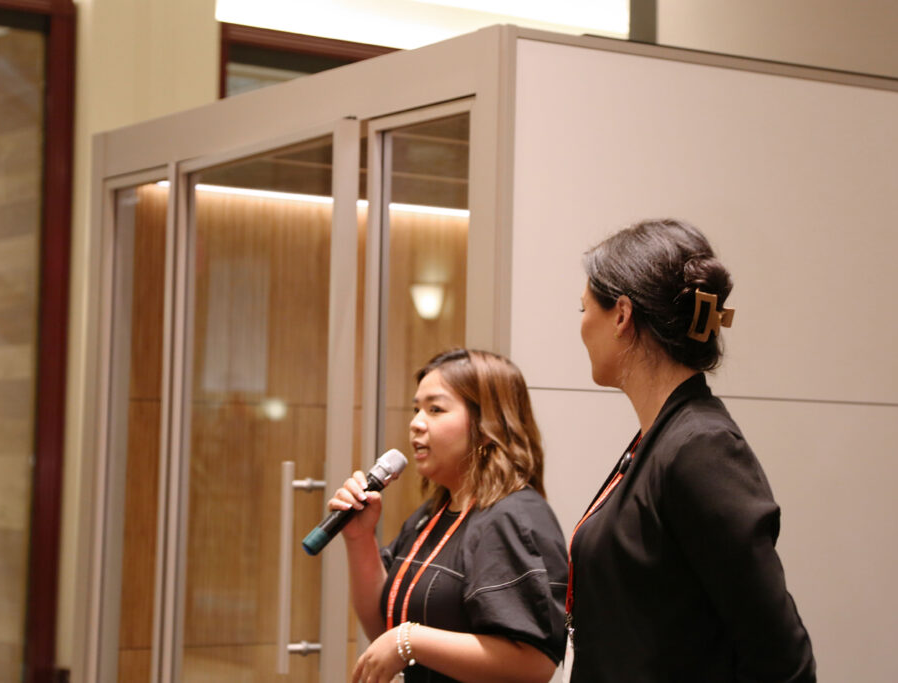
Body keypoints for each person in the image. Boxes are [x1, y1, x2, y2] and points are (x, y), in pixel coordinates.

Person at [569, 218, 816, 682]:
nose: (581, 325)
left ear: (621, 315)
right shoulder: (662, 438)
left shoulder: (701, 447)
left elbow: (782, 656)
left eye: (583, 309)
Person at [328, 348, 568, 683]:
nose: (416, 423)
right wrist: (359, 538)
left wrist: (411, 641)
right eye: (416, 409)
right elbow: (384, 629)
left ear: (487, 426)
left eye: (435, 409)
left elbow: (534, 663)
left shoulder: (513, 517)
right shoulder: (431, 517)